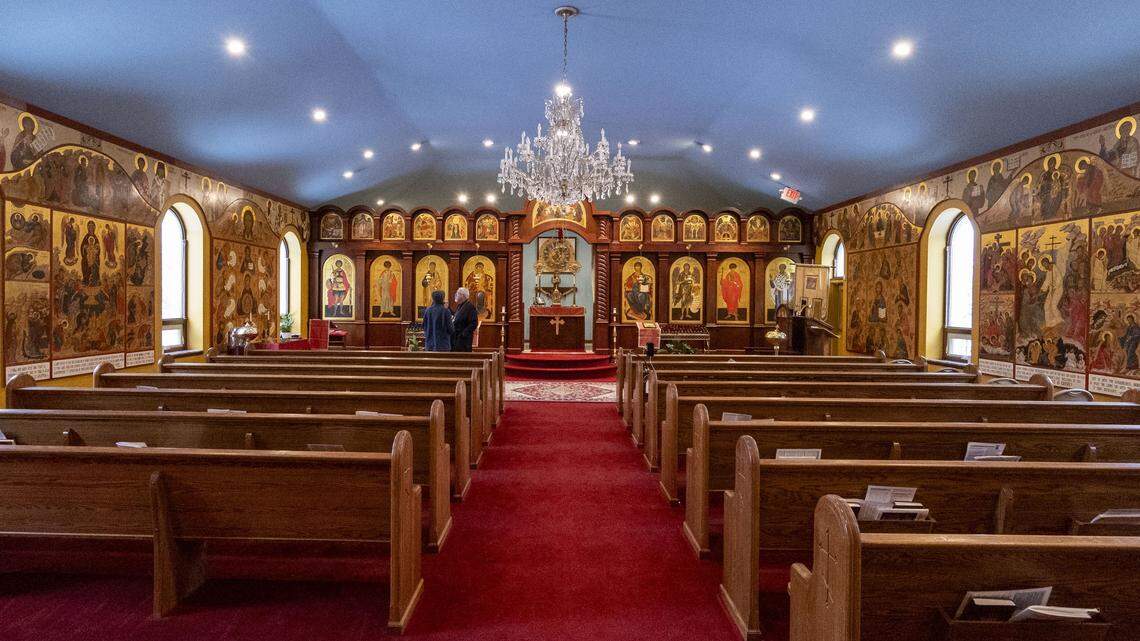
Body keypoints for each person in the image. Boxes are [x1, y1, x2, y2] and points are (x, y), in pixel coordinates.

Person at [451, 287, 479, 352]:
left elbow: (474, 323)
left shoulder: (470, 307)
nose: (456, 295)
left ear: (462, 295)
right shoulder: (459, 306)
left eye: (457, 294)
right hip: (456, 338)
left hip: (464, 341)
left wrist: (463, 334)